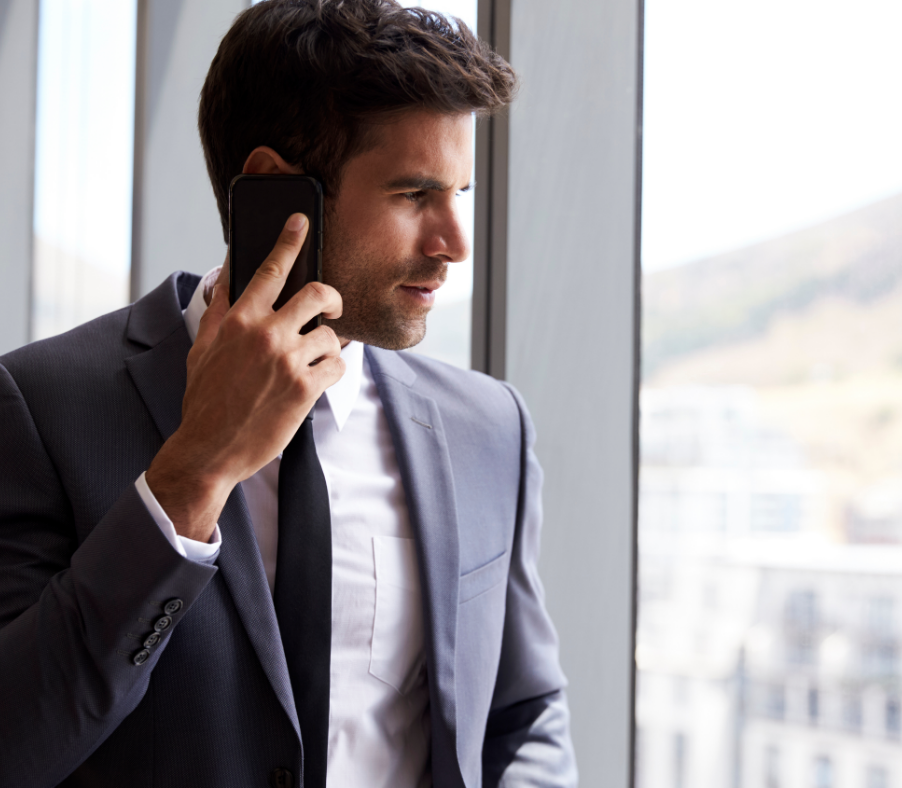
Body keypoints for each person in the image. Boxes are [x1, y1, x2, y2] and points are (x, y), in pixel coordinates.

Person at [0, 1, 576, 786]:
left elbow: (526, 715)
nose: (455, 245)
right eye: (413, 195)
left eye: (460, 194)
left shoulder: (489, 428)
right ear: (278, 193)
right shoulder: (42, 404)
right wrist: (193, 474)